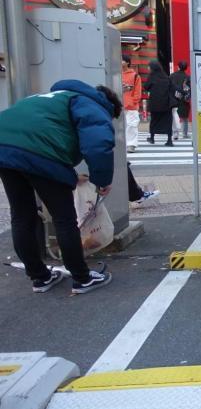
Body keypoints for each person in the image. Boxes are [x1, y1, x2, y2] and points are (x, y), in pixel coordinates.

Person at [0, 80, 118, 294]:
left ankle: (40, 277)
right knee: (64, 218)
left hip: (4, 147)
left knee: (22, 216)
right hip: (40, 152)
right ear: (109, 107)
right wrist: (101, 181)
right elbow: (98, 144)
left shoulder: (52, 97)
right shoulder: (93, 105)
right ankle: (82, 278)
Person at [143, 60, 176, 146]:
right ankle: (169, 140)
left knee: (154, 120)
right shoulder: (166, 77)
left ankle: (152, 138)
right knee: (168, 121)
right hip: (166, 103)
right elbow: (172, 88)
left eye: (149, 66)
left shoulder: (152, 76)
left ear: (152, 68)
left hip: (155, 103)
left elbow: (146, 87)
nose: (148, 68)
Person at [122, 55, 142, 153]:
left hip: (131, 106)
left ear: (127, 62)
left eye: (122, 60)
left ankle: (131, 144)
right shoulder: (116, 74)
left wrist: (133, 101)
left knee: (132, 125)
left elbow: (138, 91)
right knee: (122, 126)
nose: (120, 62)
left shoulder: (135, 76)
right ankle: (123, 144)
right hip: (119, 104)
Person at [169, 61, 191, 140]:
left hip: (173, 99)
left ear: (178, 67)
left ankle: (175, 134)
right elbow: (189, 90)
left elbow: (169, 87)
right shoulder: (187, 77)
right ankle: (184, 134)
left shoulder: (172, 76)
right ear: (185, 68)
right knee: (184, 117)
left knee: (173, 116)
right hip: (183, 100)